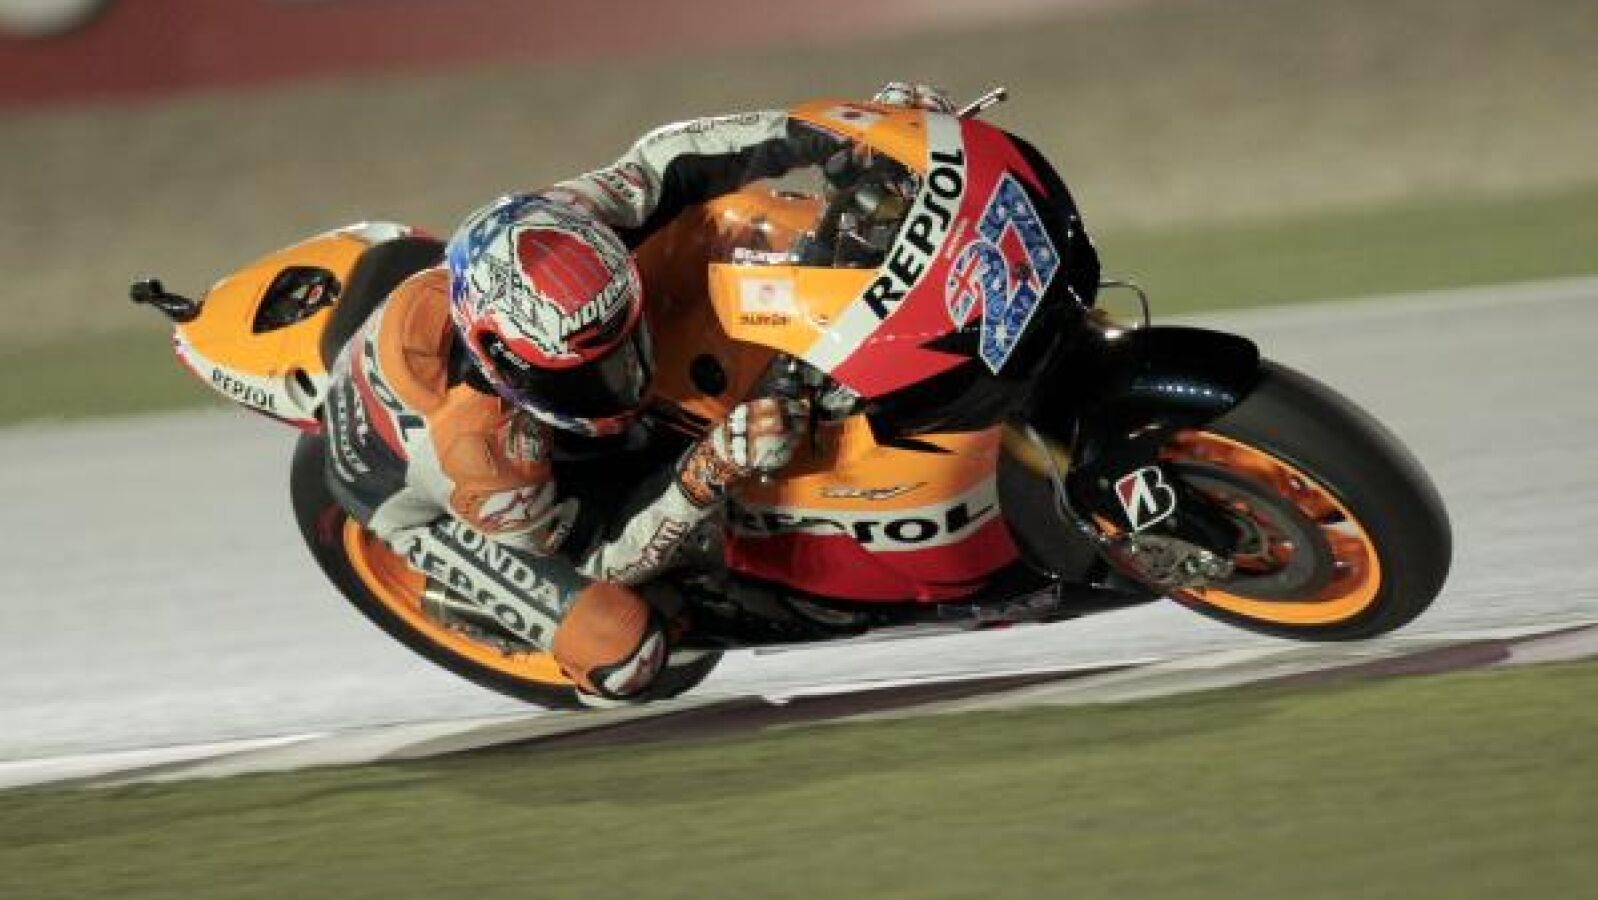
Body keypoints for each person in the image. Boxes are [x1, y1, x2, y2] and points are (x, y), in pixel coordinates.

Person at [320, 83, 956, 705]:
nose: (627, 375)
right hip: (433, 500)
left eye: (623, 351)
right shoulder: (483, 458)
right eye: (589, 374)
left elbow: (662, 162)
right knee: (626, 654)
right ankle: (547, 618)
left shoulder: (559, 226)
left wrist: (834, 134)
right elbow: (598, 553)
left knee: (717, 224)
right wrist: (709, 469)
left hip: (464, 353)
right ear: (508, 366)